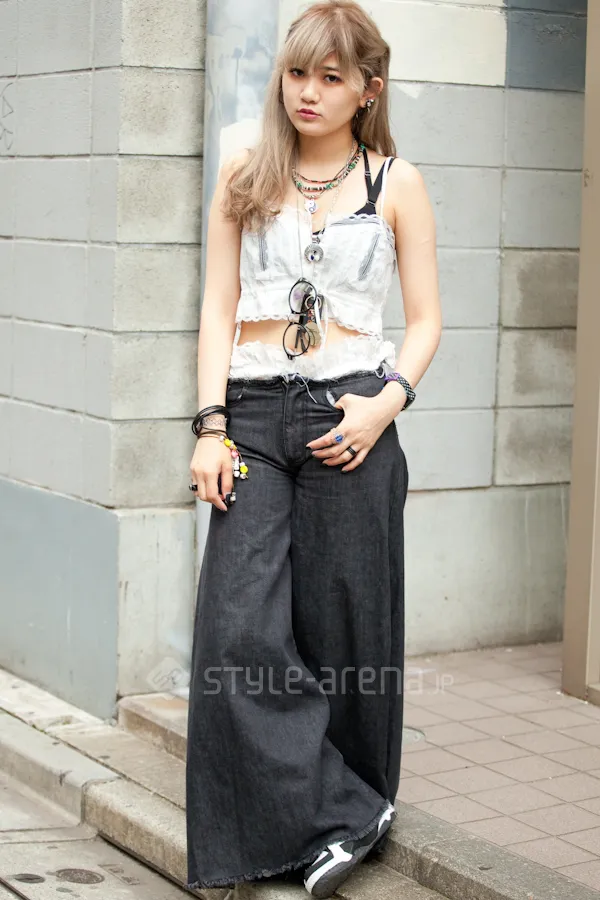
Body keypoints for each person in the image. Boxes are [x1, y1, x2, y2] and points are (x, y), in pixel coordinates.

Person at [185, 1, 441, 897]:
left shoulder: (396, 182)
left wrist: (385, 405)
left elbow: (427, 320)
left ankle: (339, 815)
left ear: (368, 88)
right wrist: (210, 426)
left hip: (350, 417)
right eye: (298, 72)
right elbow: (219, 307)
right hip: (253, 418)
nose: (309, 91)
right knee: (235, 631)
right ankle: (341, 808)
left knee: (345, 630)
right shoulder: (244, 166)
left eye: (332, 77)